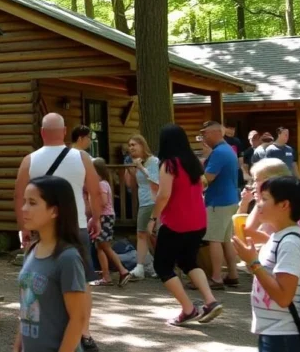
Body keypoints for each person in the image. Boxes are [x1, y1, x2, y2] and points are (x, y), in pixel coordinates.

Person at [15, 113, 102, 352]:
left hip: (42, 230)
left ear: (42, 133)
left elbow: (19, 194)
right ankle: (84, 332)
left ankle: (76, 331)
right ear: (64, 132)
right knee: (81, 282)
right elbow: (95, 191)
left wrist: (23, 226)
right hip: (78, 226)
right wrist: (97, 218)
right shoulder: (82, 157)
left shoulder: (29, 160)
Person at [149, 123, 223, 326]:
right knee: (188, 261)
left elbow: (164, 195)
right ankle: (210, 301)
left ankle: (188, 309)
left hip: (176, 222)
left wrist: (153, 218)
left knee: (162, 265)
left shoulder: (168, 164)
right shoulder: (193, 162)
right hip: (198, 220)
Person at [232, 176, 300, 352]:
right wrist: (252, 260)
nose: (259, 204)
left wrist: (254, 263)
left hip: (286, 335)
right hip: (275, 332)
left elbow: (284, 297)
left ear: (284, 205)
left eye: (265, 199)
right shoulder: (278, 237)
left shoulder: (290, 244)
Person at [15, 175, 89, 352]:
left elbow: (78, 318)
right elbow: (25, 310)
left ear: (54, 211)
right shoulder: (32, 250)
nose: (24, 209)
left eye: (32, 203)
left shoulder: (68, 258)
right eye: (24, 201)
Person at [200, 120, 240, 289]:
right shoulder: (228, 150)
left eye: (205, 133)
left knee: (213, 239)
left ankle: (216, 278)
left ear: (216, 132)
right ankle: (232, 274)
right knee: (225, 240)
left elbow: (207, 178)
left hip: (218, 202)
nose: (203, 137)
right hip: (230, 200)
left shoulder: (219, 153)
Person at [88, 158, 130, 287]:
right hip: (104, 216)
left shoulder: (101, 184)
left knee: (104, 246)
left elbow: (104, 201)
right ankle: (106, 276)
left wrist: (95, 213)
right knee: (100, 246)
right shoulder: (104, 183)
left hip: (104, 217)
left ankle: (123, 270)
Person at [123, 134, 160, 280]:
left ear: (142, 146)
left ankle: (150, 266)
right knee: (144, 234)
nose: (131, 148)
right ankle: (144, 266)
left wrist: (141, 167)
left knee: (148, 234)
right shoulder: (134, 162)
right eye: (129, 145)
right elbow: (131, 186)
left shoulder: (153, 161)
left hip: (153, 201)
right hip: (143, 201)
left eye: (134, 145)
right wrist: (130, 171)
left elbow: (155, 181)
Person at [237, 158, 294, 246]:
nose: (253, 185)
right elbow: (239, 222)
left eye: (256, 180)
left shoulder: (270, 203)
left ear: (270, 181)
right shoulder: (288, 199)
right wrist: (245, 202)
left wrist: (275, 244)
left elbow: (247, 232)